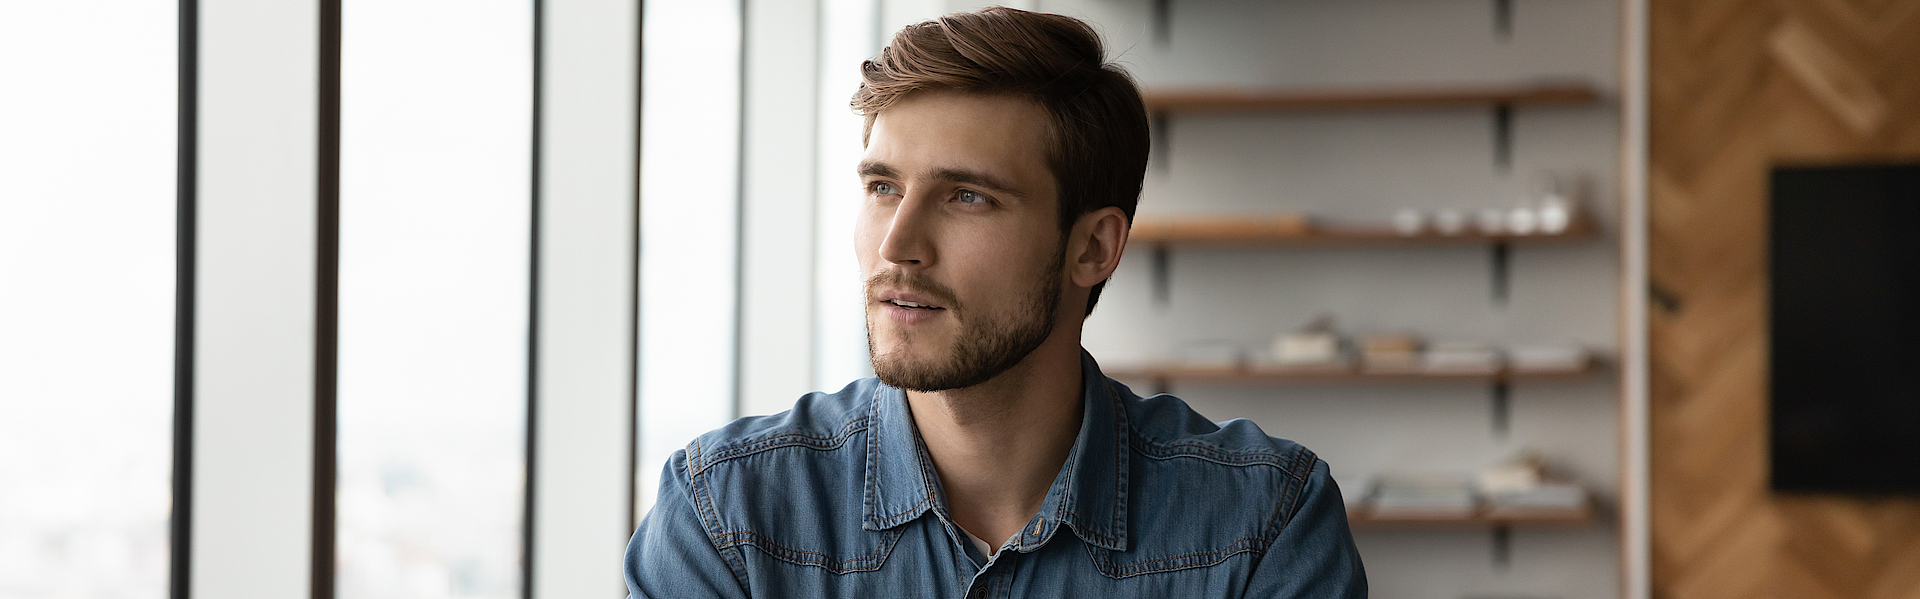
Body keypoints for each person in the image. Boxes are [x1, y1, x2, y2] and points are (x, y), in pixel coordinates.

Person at [625, 7, 1365, 598]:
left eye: (967, 196)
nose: (898, 246)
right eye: (882, 188)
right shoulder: (728, 518)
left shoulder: (1264, 523)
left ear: (1092, 248)